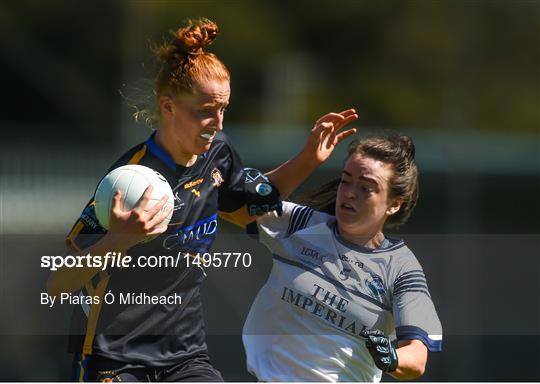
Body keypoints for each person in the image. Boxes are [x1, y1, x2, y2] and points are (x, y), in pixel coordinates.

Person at [46, 18, 358, 382]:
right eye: (206, 110)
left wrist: (308, 159)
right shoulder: (129, 180)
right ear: (169, 106)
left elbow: (247, 209)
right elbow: (58, 284)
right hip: (114, 361)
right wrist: (119, 240)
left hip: (184, 357)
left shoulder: (218, 156)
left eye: (223, 108)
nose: (218, 122)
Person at [241, 135, 443, 382]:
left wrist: (392, 357)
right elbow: (232, 207)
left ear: (394, 204)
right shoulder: (301, 224)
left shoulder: (404, 269)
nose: (349, 194)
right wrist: (303, 162)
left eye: (365, 187)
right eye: (346, 181)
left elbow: (417, 358)